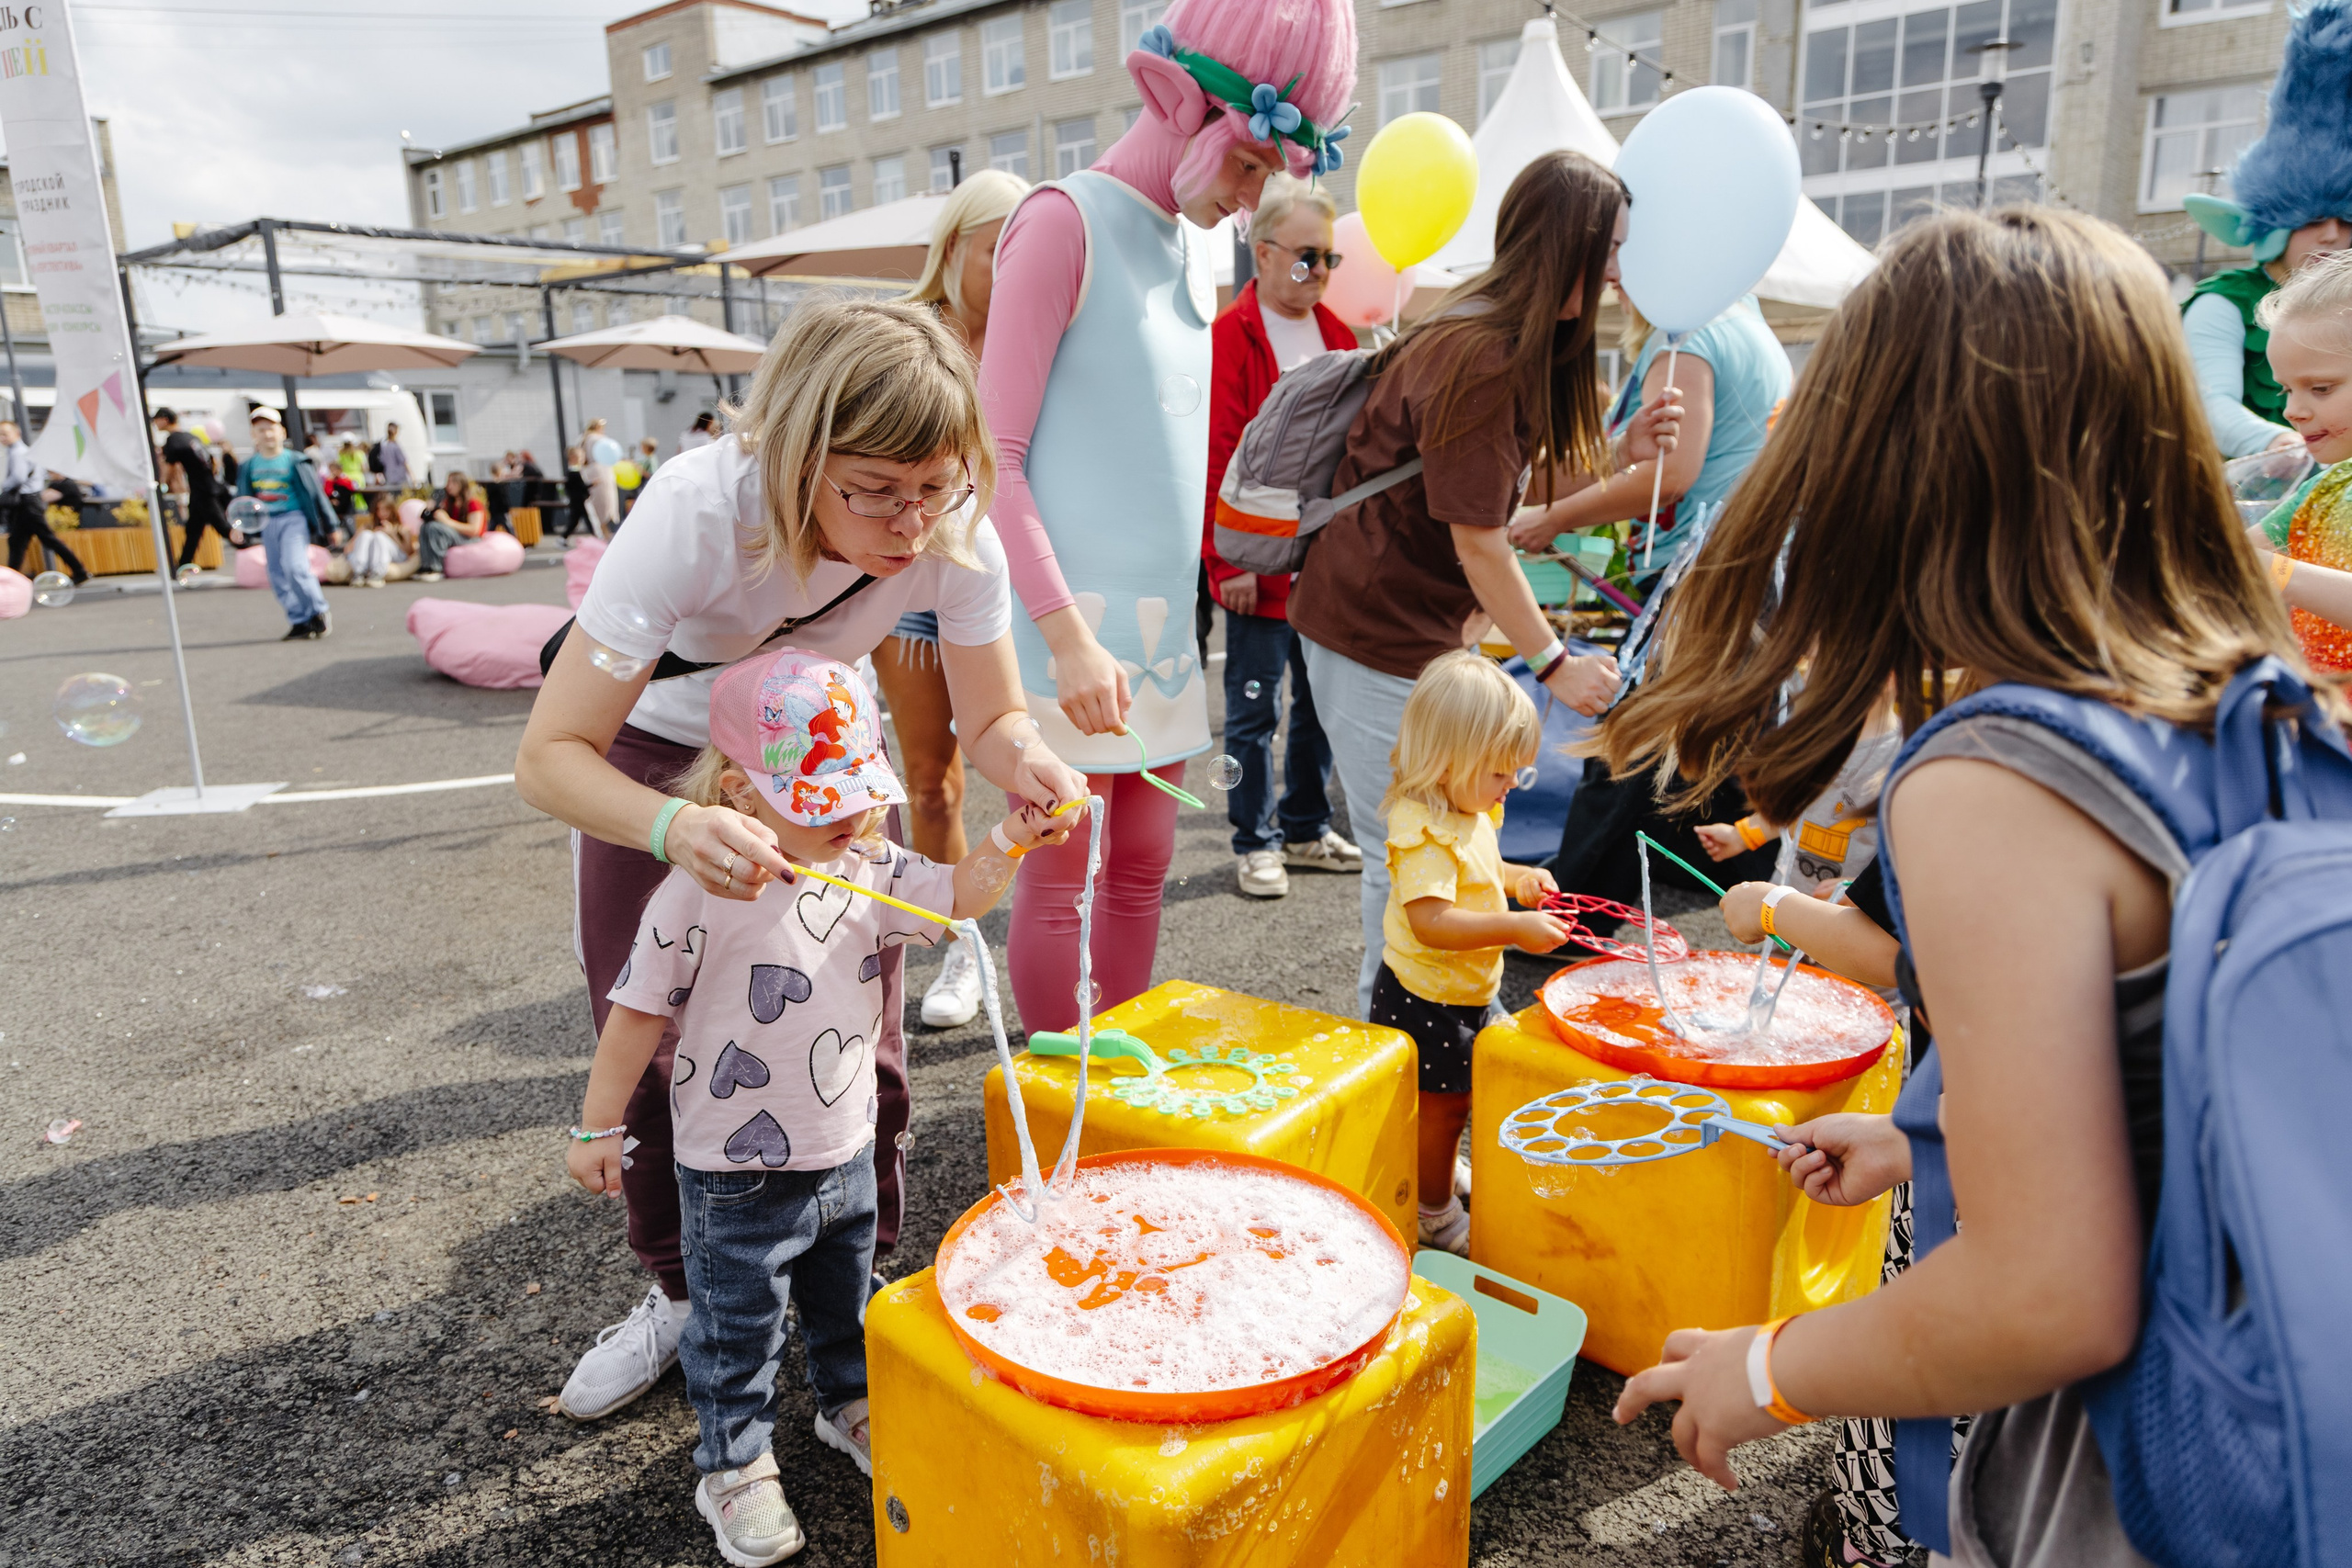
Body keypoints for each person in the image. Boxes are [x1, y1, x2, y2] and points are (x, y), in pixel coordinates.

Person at [1600, 206, 2307, 1566]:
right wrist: (1936, 1144)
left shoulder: (1994, 775)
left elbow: (2050, 1295)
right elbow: (2176, 1076)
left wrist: (1776, 1364)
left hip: (2115, 1484)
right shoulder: (2252, 701)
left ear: (1884, 459)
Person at [515, 299, 1083, 1428]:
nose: (911, 521)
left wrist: (1031, 764)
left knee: (850, 1031)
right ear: (793, 452)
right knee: (670, 1026)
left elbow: (993, 722)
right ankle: (682, 1292)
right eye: (873, 489)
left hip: (818, 750)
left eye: (935, 485)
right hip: (657, 742)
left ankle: (844, 1294)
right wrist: (676, 828)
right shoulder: (695, 509)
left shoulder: (953, 525)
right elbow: (548, 755)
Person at [563, 648, 1070, 1566]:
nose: (851, 812)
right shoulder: (696, 891)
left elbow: (957, 899)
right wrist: (601, 1126)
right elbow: (635, 1012)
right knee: (734, 1326)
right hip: (730, 1170)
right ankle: (735, 1463)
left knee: (850, 1299)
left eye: (860, 788)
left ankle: (848, 1402)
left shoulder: (871, 866)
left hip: (847, 1146)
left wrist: (1005, 844)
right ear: (736, 796)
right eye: (818, 797)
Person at [979, 0, 1358, 1032]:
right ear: (1180, 105)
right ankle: (1067, 1108)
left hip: (1155, 631)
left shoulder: (1199, 244)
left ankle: (1119, 1105)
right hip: (1068, 631)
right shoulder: (1060, 220)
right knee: (1058, 873)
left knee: (1142, 865)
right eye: (1245, 168)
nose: (1249, 202)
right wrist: (1062, 636)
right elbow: (992, 456)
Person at [1287, 152, 1678, 1015]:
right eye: (1608, 249)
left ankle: (1448, 1032)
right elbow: (1482, 538)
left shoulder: (1496, 337)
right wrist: (1552, 663)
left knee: (1446, 836)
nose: (1619, 271)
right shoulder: (1483, 352)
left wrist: (1626, 452)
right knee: (1406, 849)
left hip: (1404, 629)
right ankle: (1404, 1047)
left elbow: (1497, 485)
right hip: (1373, 628)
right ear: (1566, 246)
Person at [882, 164, 1028, 1027]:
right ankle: (958, 951)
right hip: (910, 576)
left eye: (1026, 247)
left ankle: (1013, 937)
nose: (1013, 266)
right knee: (930, 781)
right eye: (995, 248)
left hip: (1013, 579)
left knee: (1030, 771)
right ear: (953, 249)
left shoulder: (1039, 332)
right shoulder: (907, 335)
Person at [1368, 651, 1568, 1253]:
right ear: (1448, 759)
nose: (1511, 785)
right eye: (1501, 772)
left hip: (1465, 990)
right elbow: (1431, 920)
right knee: (1442, 1109)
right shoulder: (1425, 827)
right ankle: (1432, 1209)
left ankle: (1442, 1172)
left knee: (1460, 1097)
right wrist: (1513, 926)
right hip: (1428, 998)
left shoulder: (1468, 805)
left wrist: (1517, 879)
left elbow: (1478, 870)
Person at [1203, 175, 1363, 900]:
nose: (1320, 272)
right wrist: (1223, 559)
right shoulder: (1229, 335)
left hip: (1326, 561)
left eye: (1328, 258)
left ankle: (1302, 827)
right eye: (1307, 257)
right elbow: (1217, 450)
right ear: (1262, 253)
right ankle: (1255, 839)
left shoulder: (1339, 335)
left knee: (1321, 704)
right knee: (1256, 707)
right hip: (1257, 563)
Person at [1510, 289, 1789, 583]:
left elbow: (1669, 474)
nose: (1613, 278)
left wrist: (1556, 517)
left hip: (1694, 565)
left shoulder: (1684, 341)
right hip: (1749, 551)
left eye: (1622, 251)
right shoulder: (1752, 327)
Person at [2179, 3, 2352, 458]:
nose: (2333, 236)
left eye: (2346, 220)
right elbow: (2207, 402)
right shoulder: (2224, 302)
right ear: (2275, 222)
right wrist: (2280, 447)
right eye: (2313, 220)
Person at [2243, 250, 2352, 671]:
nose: (2292, 411)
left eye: (2320, 389)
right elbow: (2232, 555)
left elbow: (2260, 566)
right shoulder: (2323, 488)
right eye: (2286, 390)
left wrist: (2277, 573)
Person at [235, 406, 334, 639]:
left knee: (295, 567)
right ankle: (299, 619)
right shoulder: (249, 466)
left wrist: (331, 525)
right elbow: (244, 500)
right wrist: (240, 526)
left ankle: (318, 611)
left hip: (294, 519)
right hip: (268, 522)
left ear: (281, 431)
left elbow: (316, 494)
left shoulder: (296, 461)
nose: (266, 434)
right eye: (260, 430)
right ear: (253, 434)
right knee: (277, 573)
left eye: (271, 429)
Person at [1, 419, 84, 581]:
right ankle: (11, 579)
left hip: (28, 503)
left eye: (5, 434)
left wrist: (3, 487)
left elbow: (18, 477)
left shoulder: (18, 452)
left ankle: (79, 570)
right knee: (17, 542)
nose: (2, 438)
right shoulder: (24, 452)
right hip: (28, 503)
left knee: (45, 539)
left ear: (17, 434)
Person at [155, 407, 231, 581]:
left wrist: (162, 486)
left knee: (223, 528)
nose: (155, 424)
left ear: (165, 420)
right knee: (194, 530)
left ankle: (250, 550)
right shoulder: (190, 437)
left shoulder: (173, 440)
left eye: (157, 420)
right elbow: (213, 461)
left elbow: (169, 466)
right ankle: (182, 565)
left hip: (203, 492)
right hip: (209, 487)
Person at [415, 471, 486, 581]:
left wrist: (447, 521)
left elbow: (474, 530)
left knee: (435, 528)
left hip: (470, 538)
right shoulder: (448, 503)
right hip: (456, 534)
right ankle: (426, 565)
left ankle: (436, 567)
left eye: (453, 483)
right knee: (426, 526)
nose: (449, 486)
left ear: (461, 485)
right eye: (448, 483)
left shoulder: (473, 504)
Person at [346, 493, 410, 587]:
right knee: (366, 535)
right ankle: (359, 573)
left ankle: (377, 573)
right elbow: (348, 549)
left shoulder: (401, 528)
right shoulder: (368, 526)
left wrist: (391, 534)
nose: (382, 513)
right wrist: (359, 536)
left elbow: (408, 552)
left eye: (386, 509)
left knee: (380, 536)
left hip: (394, 557)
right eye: (379, 509)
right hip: (368, 559)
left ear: (392, 510)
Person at [583, 417, 624, 536]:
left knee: (599, 502)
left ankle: (603, 531)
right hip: (601, 472)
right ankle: (604, 532)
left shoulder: (584, 439)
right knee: (605, 502)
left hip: (591, 471)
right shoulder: (598, 439)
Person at [369, 422, 411, 491]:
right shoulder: (395, 446)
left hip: (388, 477)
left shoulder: (383, 445)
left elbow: (381, 461)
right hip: (400, 478)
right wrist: (412, 477)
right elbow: (404, 462)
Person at [562, 445, 593, 539]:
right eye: (581, 457)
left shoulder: (577, 471)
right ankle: (596, 537)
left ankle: (563, 538)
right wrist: (592, 484)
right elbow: (580, 486)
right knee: (586, 519)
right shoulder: (573, 472)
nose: (582, 459)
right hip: (578, 500)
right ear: (573, 458)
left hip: (578, 499)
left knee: (575, 521)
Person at [485, 455, 516, 537]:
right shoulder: (501, 486)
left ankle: (485, 542)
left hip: (494, 510)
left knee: (491, 529)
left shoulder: (490, 485)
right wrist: (508, 508)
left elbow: (489, 498)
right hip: (502, 511)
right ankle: (517, 543)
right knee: (509, 529)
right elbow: (504, 499)